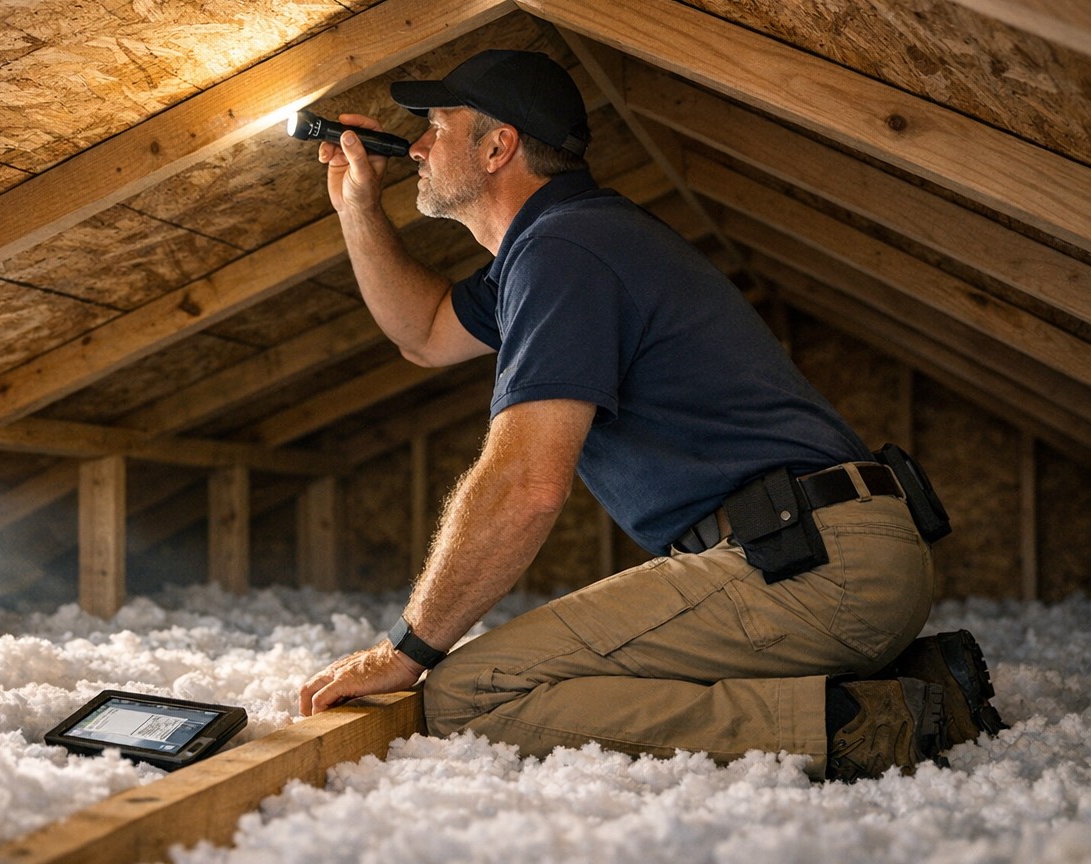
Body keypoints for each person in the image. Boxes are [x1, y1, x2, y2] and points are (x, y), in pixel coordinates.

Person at [297, 49, 1005, 781]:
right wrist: (357, 208)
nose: (414, 145)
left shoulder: (564, 252)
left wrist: (406, 650)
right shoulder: (559, 246)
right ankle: (918, 685)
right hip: (827, 553)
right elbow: (423, 333)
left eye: (434, 126)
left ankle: (862, 725)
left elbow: (525, 487)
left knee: (472, 690)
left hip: (812, 566)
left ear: (497, 145)